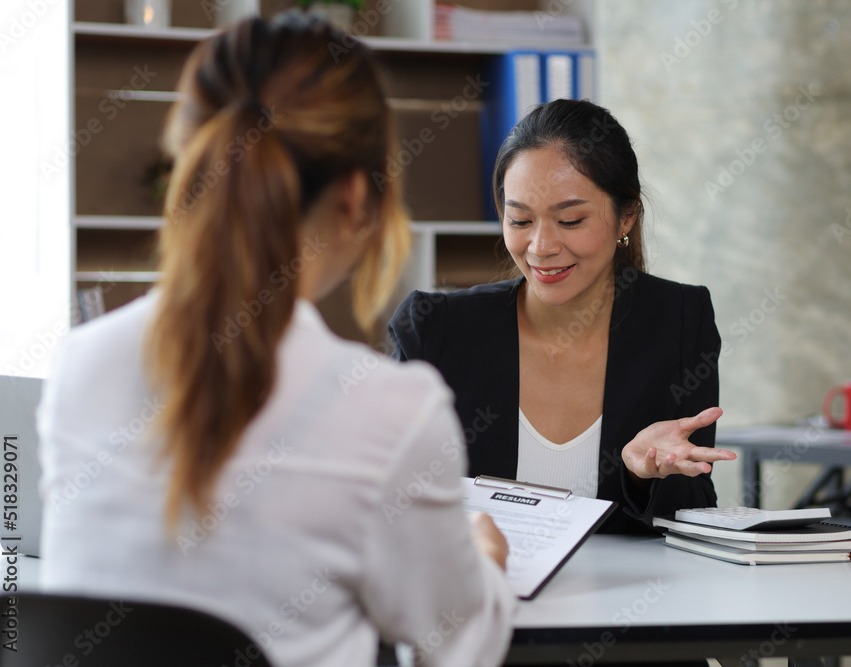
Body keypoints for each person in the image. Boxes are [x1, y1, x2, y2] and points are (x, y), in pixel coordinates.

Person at [37, 12, 513, 667]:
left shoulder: (78, 368)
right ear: (355, 194)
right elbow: (459, 646)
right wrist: (483, 562)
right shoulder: (390, 411)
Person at [390, 99, 737, 535]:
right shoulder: (434, 329)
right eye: (520, 220)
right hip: (476, 596)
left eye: (570, 220)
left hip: (625, 600)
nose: (540, 247)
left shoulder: (681, 321)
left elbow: (695, 510)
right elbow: (387, 500)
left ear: (626, 216)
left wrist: (642, 476)